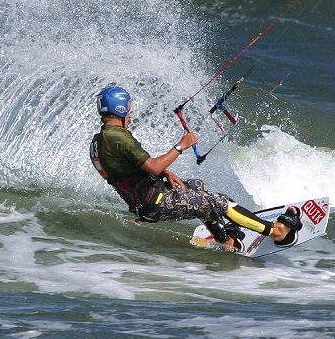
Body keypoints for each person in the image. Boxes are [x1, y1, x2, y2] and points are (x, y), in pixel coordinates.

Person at [89, 85, 302, 251]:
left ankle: (225, 240)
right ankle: (276, 232)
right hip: (155, 202)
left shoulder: (100, 140)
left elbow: (123, 170)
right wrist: (182, 145)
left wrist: (165, 171)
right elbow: (152, 167)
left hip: (144, 202)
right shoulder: (118, 137)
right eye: (129, 109)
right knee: (220, 202)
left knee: (197, 187)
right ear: (121, 109)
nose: (131, 113)